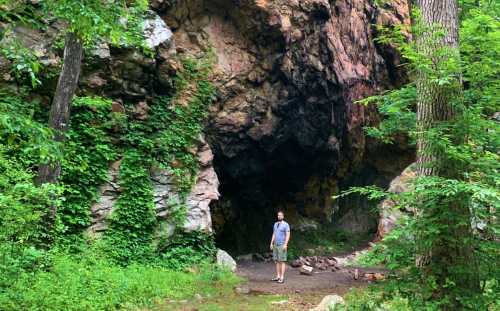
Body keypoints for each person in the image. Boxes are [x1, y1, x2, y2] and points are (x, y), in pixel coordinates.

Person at [269, 210, 290, 284]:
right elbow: (274, 234)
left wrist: (285, 244)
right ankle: (278, 276)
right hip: (275, 245)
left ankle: (282, 277)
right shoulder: (275, 224)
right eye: (278, 215)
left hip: (282, 245)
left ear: (283, 216)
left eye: (280, 215)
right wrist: (271, 243)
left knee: (282, 261)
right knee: (277, 261)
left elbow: (288, 235)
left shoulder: (286, 225)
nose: (279, 216)